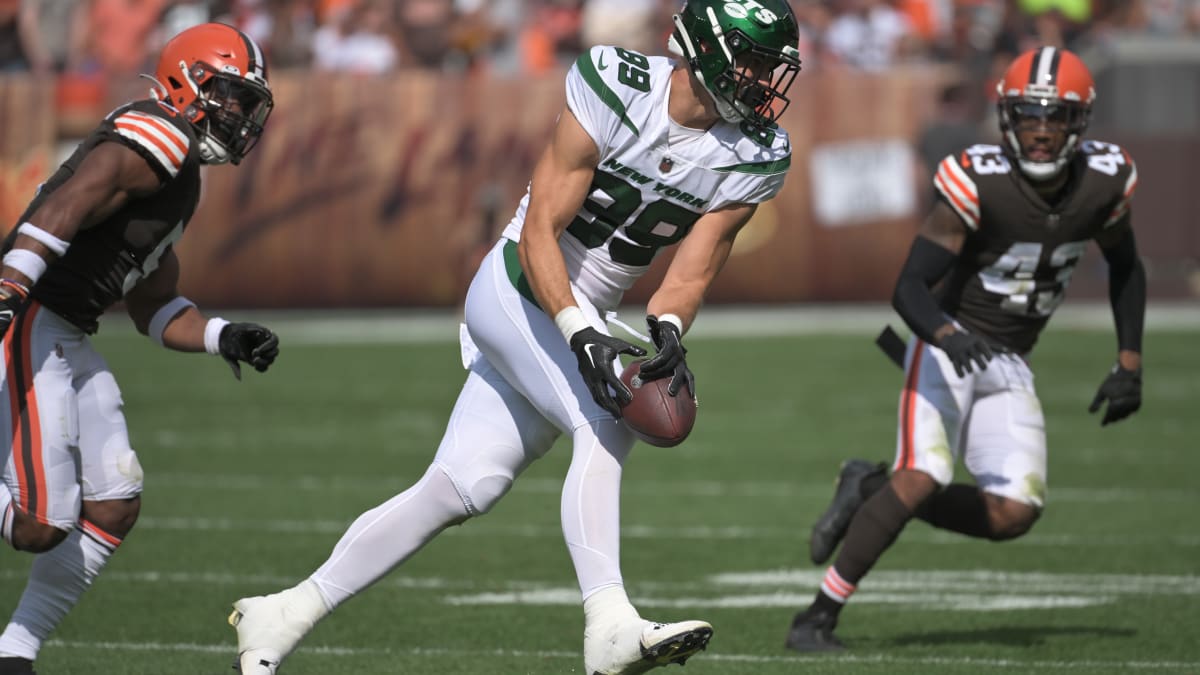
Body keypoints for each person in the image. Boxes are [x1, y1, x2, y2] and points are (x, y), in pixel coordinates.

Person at [227, 1, 802, 673]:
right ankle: (609, 621)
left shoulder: (757, 152)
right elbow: (538, 232)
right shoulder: (619, 86)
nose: (765, 81)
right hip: (519, 288)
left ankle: (279, 615)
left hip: (586, 311)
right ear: (705, 51)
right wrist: (579, 328)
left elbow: (693, 268)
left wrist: (669, 329)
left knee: (460, 486)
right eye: (755, 62)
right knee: (606, 421)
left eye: (773, 66)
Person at [785, 46, 1144, 652]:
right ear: (1005, 117)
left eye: (1053, 118)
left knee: (1013, 514)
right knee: (924, 474)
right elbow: (908, 288)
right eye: (1027, 117)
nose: (1038, 132)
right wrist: (949, 336)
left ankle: (870, 487)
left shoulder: (1106, 180)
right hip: (946, 343)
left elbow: (1126, 268)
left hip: (1009, 359)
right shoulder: (978, 179)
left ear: (1079, 124)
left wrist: (1129, 361)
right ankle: (815, 618)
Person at [0, 23, 280, 675]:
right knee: (42, 521)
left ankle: (14, 651)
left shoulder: (181, 174)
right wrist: (10, 285)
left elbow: (153, 301)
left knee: (114, 501)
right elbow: (68, 201)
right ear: (190, 83)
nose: (241, 117)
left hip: (66, 328)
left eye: (248, 104)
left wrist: (221, 335)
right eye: (232, 97)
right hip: (31, 317)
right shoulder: (161, 131)